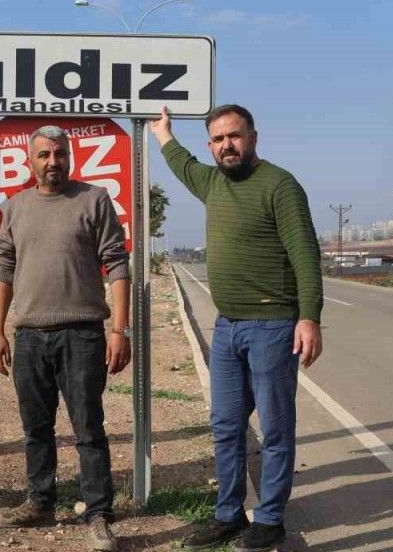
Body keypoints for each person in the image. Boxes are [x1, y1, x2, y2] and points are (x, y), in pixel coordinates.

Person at [149, 104, 323, 552]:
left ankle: (270, 519)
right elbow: (182, 164)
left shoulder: (280, 186)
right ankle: (228, 514)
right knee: (226, 425)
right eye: (218, 139)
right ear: (211, 145)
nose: (227, 145)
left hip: (273, 326)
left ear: (253, 138)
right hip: (226, 327)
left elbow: (305, 255)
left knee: (275, 428)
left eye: (234, 135)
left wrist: (309, 317)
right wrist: (163, 133)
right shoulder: (212, 182)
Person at [0, 125, 132, 552]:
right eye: (45, 155)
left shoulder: (94, 200)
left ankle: (98, 513)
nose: (53, 162)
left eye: (60, 154)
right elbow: (3, 269)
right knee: (36, 428)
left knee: (89, 428)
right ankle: (40, 501)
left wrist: (119, 330)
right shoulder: (15, 207)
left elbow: (117, 264)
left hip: (82, 335)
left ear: (70, 157)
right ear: (30, 161)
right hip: (30, 337)